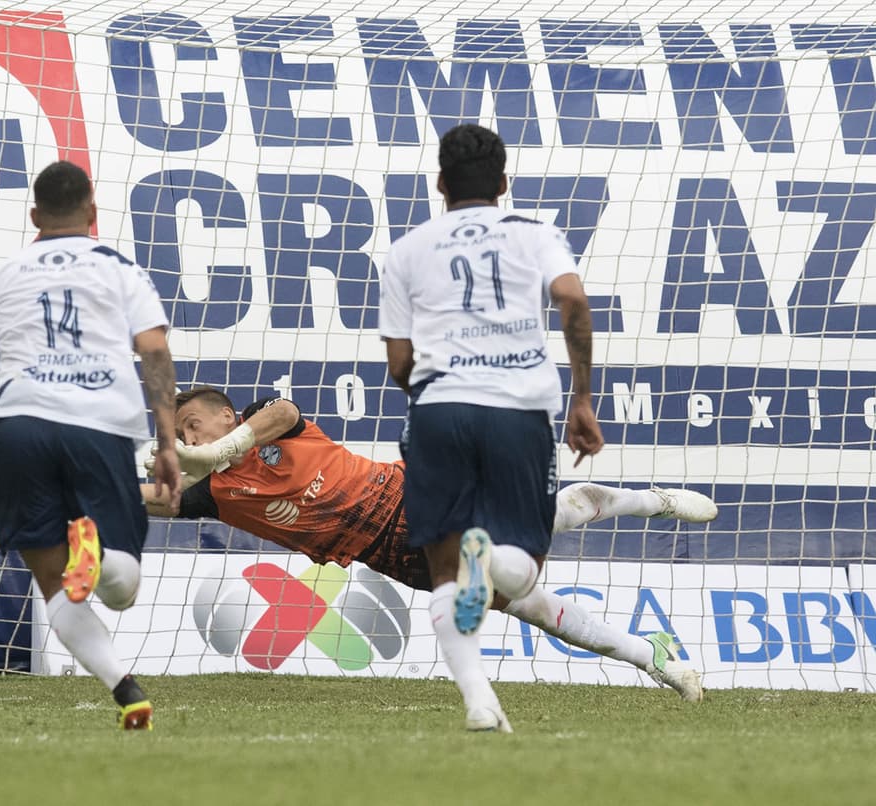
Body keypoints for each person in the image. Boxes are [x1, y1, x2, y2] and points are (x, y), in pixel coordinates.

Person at [143, 387, 709, 705]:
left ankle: (650, 500)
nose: (189, 438)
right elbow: (151, 500)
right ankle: (650, 653)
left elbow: (285, 412)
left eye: (194, 424)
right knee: (534, 607)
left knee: (553, 515)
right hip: (397, 557)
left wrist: (227, 446)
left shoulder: (266, 420)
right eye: (180, 434)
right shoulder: (214, 494)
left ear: (225, 415)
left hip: (415, 496)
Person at [378, 123, 606, 731]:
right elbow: (574, 302)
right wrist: (583, 398)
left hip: (439, 410)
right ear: (504, 183)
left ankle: (480, 704)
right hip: (518, 412)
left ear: (439, 184)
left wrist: (438, 394)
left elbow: (400, 363)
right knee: (524, 572)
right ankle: (497, 563)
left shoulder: (406, 250)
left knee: (445, 573)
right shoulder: (534, 235)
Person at [0, 160, 182, 731]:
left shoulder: (3, 276)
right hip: (98, 424)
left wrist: (1, 444)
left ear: (34, 215)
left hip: (20, 427)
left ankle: (126, 688)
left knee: (54, 586)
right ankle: (101, 552)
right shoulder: (119, 269)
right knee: (124, 587)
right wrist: (166, 440)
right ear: (93, 211)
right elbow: (154, 350)